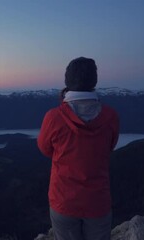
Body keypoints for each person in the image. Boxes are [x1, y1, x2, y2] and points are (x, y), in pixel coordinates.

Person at [37, 57, 119, 240]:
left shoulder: (54, 117)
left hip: (63, 200)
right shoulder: (110, 116)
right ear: (94, 81)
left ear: (67, 81)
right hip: (98, 200)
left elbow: (45, 148)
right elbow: (109, 147)